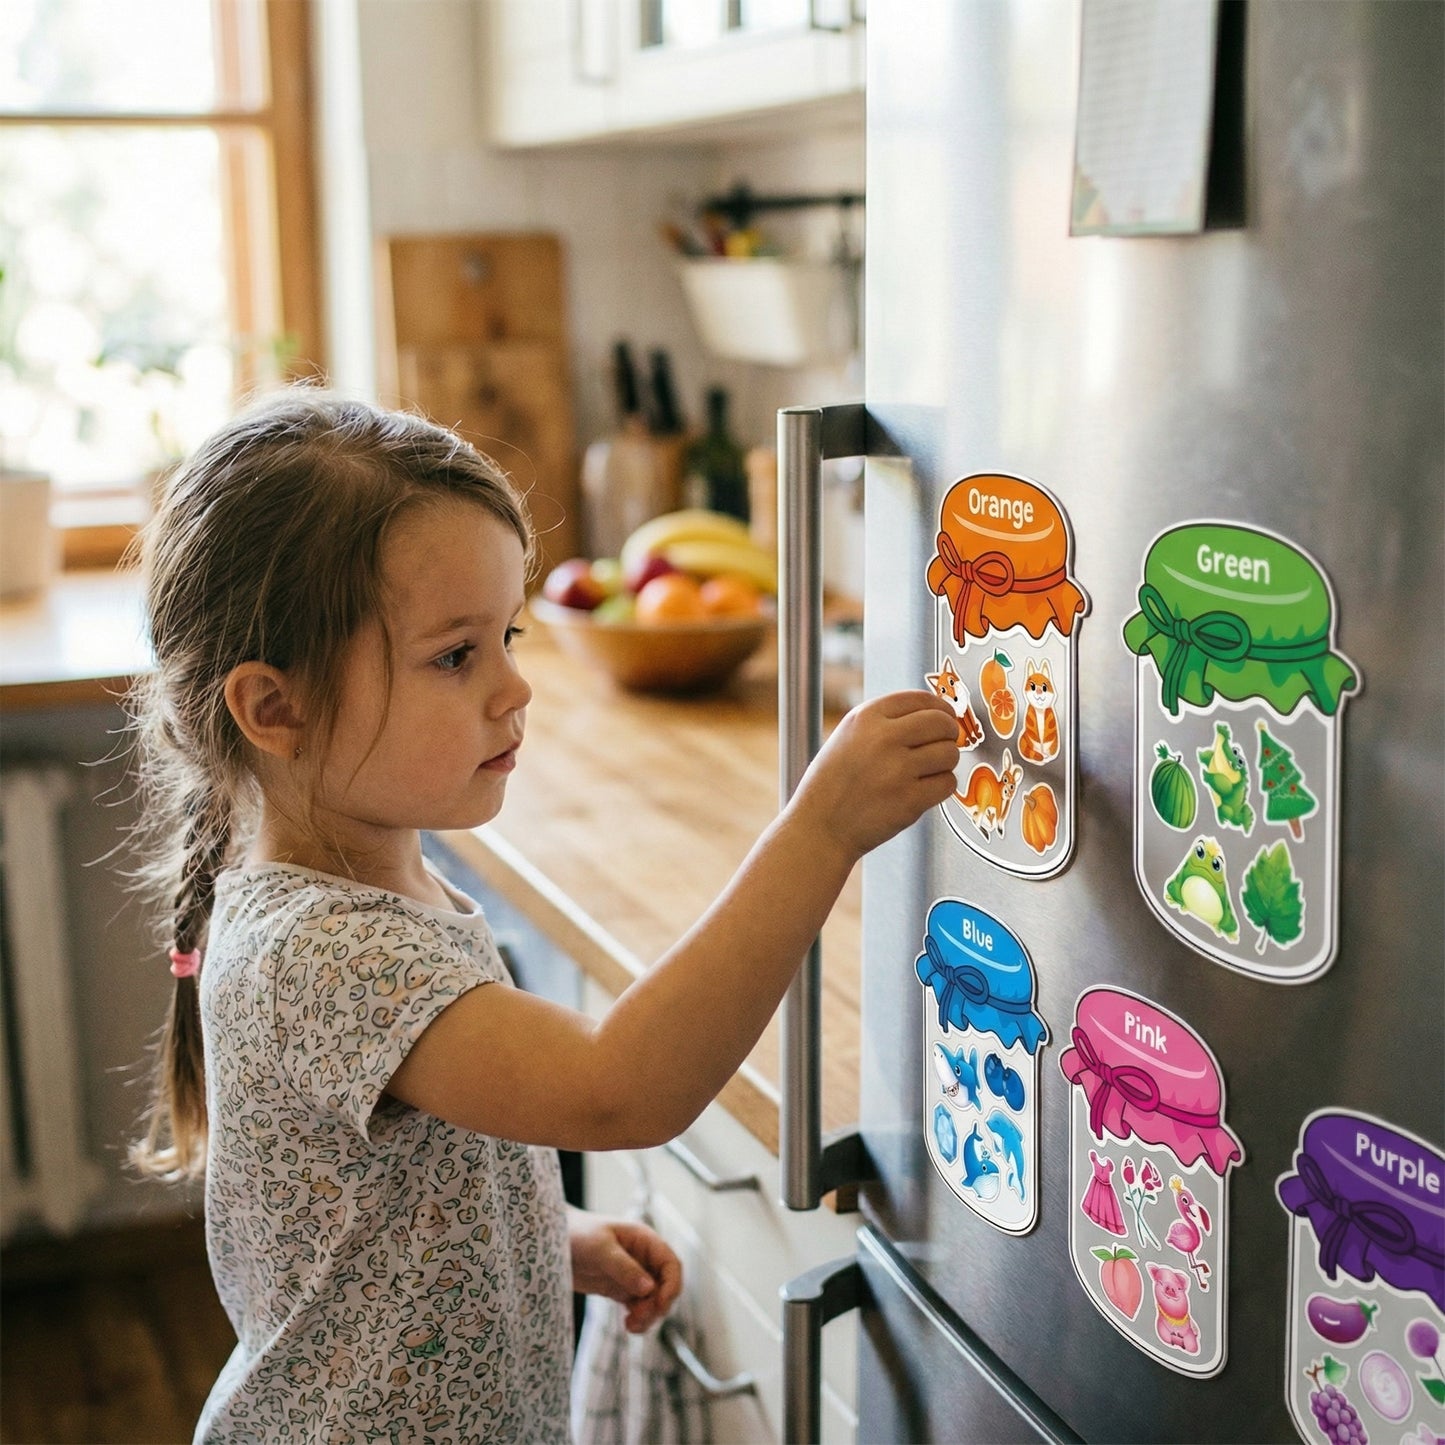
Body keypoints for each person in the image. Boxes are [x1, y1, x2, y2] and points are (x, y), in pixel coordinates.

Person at [126, 388, 959, 1443]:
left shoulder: (361, 891)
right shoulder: (326, 951)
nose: (515, 686)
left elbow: (366, 1205)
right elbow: (620, 1088)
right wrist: (820, 830)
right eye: (454, 655)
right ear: (274, 707)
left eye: (506, 635)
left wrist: (541, 1234)